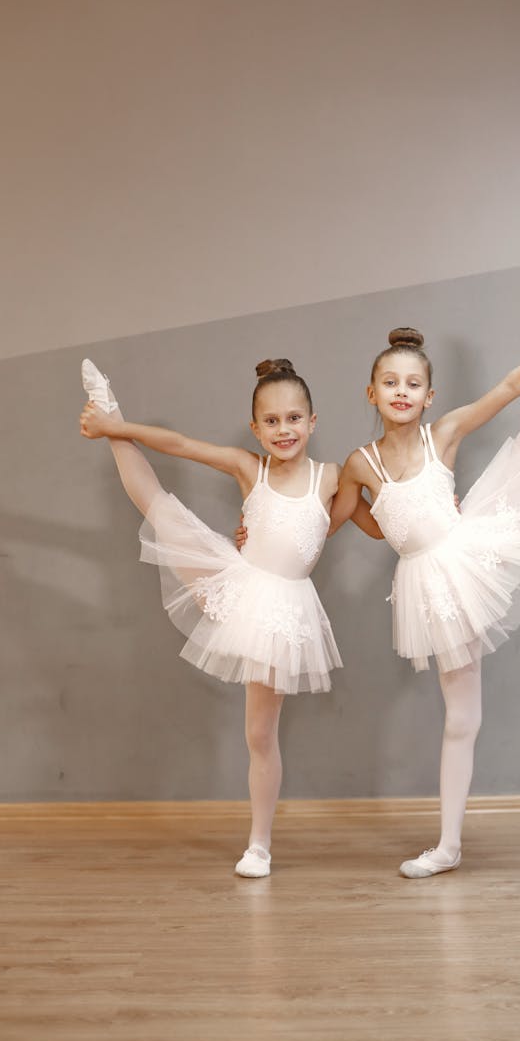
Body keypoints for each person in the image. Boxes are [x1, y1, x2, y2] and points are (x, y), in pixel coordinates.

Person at [329, 260, 520, 877]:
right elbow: (340, 518)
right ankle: (449, 846)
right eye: (389, 382)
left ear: (428, 397)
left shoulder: (445, 433)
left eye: (412, 384)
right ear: (371, 393)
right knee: (462, 716)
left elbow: (511, 387)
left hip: (468, 549)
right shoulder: (358, 464)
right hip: (428, 585)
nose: (401, 392)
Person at [79, 357, 379, 877]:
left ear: (313, 422)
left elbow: (371, 525)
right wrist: (116, 427)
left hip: (283, 609)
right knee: (162, 512)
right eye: (271, 421)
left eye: (293, 418)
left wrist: (435, 513)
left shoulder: (331, 477)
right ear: (255, 428)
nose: (283, 430)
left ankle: (259, 843)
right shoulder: (250, 467)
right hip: (237, 583)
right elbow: (181, 446)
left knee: (261, 735)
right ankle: (111, 418)